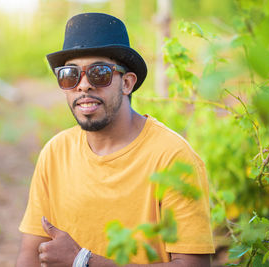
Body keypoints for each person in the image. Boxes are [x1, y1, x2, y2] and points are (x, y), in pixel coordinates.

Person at [16, 12, 215, 267]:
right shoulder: (56, 152)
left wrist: (83, 261)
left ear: (127, 83)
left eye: (99, 73)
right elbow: (30, 253)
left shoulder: (172, 157)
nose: (84, 85)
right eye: (70, 75)